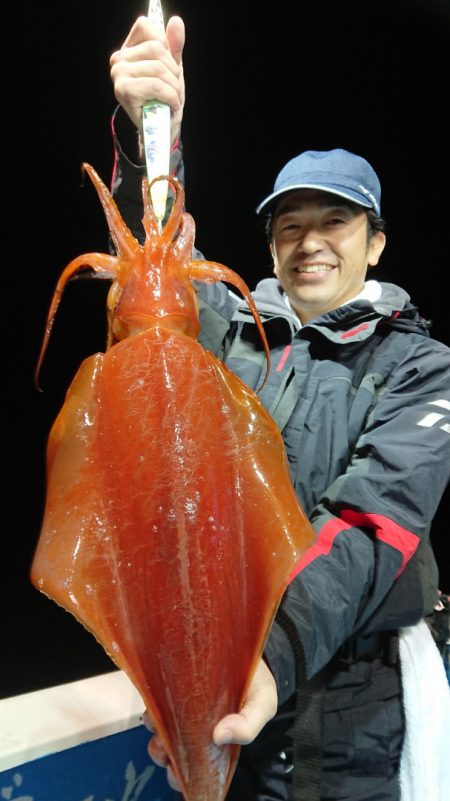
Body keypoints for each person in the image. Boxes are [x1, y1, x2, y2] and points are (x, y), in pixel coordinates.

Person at [108, 15, 450, 801]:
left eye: (336, 221)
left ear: (377, 243)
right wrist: (149, 135)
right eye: (289, 226)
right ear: (268, 249)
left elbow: (374, 519)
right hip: (226, 683)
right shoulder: (232, 335)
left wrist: (270, 659)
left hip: (359, 713)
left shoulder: (420, 365)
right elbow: (150, 285)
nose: (309, 242)